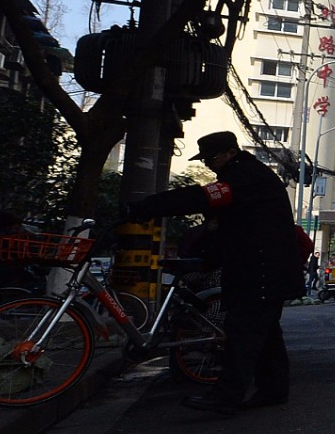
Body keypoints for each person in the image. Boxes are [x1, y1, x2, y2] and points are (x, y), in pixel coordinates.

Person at [127, 130, 304, 415]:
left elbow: (200, 198)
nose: (208, 163)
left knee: (242, 332)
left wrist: (147, 207)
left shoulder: (243, 177)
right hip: (263, 268)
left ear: (230, 153)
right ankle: (272, 389)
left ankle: (226, 395)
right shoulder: (244, 176)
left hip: (260, 270)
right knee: (265, 332)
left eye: (212, 157)